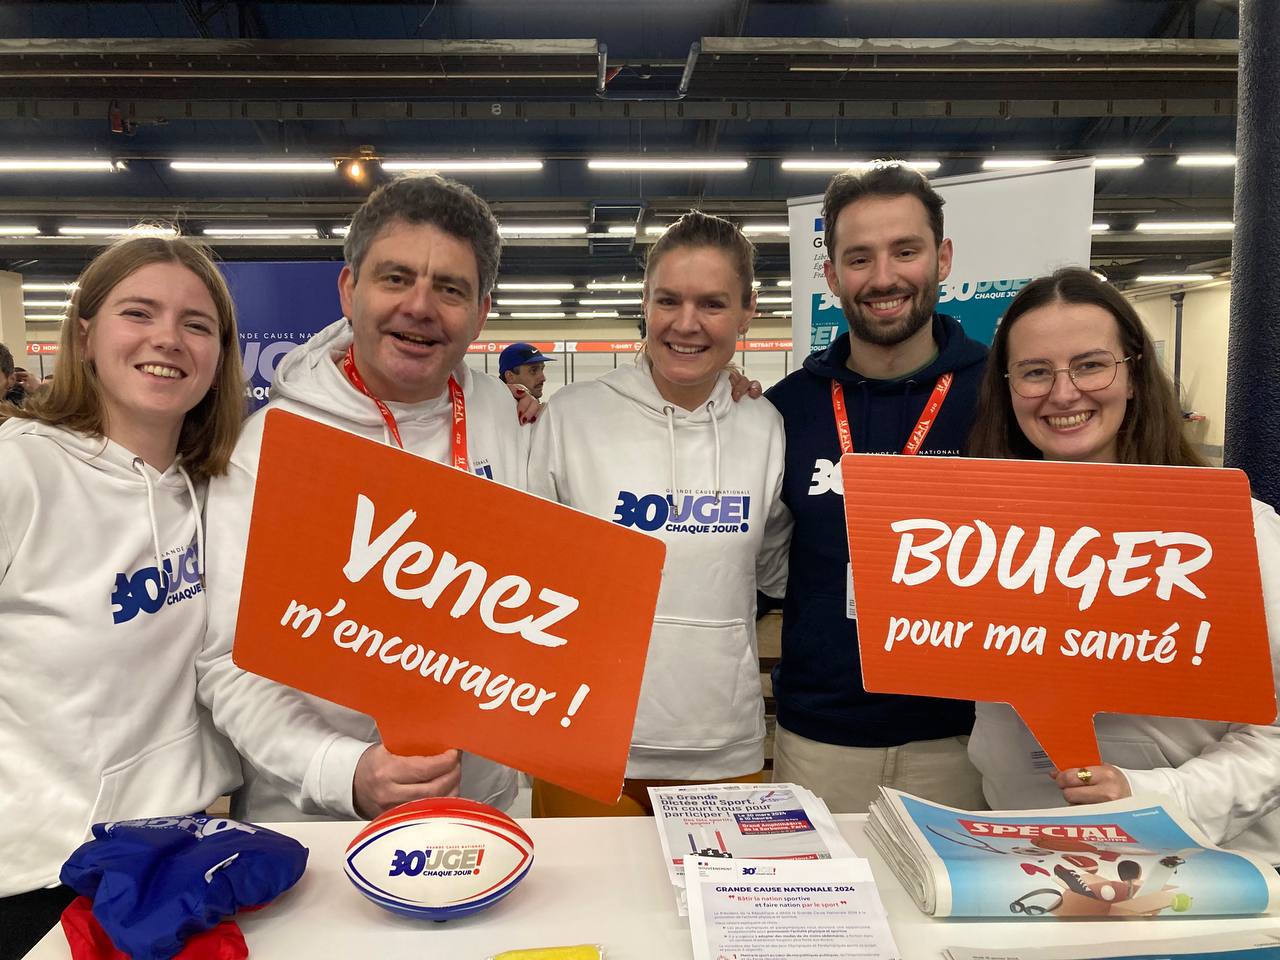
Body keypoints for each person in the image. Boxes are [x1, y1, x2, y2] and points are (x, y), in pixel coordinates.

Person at [199, 174, 524, 822]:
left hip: (482, 814)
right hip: (321, 825)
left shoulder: (494, 410)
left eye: (451, 289)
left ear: (482, 313)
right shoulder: (271, 448)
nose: (421, 306)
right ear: (350, 290)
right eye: (396, 278)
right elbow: (230, 664)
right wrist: (345, 772)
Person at [967, 267, 1280, 862]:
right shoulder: (982, 540)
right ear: (1008, 388)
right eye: (1035, 372)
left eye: (1090, 364)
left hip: (1198, 868)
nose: (1063, 393)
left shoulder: (1236, 532)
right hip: (1019, 853)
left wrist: (1153, 795)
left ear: (1133, 373)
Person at [0, 236, 246, 957]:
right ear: (84, 334)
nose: (167, 338)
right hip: (42, 878)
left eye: (196, 324)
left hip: (181, 858)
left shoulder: (216, 490)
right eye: (138, 312)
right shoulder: (20, 472)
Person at [527, 212, 792, 816]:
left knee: (718, 913)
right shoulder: (572, 417)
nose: (687, 323)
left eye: (713, 303)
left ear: (747, 311)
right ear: (645, 304)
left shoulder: (765, 426)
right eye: (668, 300)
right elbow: (523, 574)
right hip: (583, 739)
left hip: (722, 746)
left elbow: (775, 572)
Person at [763, 161, 989, 813]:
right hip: (820, 743)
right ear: (832, 275)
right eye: (859, 258)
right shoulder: (785, 410)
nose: (884, 278)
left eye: (906, 251)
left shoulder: (1000, 398)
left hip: (964, 744)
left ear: (942, 258)